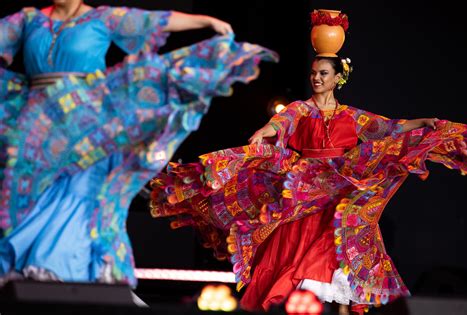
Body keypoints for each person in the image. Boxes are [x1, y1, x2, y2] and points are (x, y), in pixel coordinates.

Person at [149, 55, 467, 313]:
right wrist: (265, 131)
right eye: (314, 73)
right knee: (289, 265)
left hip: (337, 192)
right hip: (303, 193)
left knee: (338, 265)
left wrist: (424, 123)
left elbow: (390, 128)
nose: (316, 78)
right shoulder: (301, 109)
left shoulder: (353, 117)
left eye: (323, 73)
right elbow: (281, 121)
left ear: (336, 79)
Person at [0, 0, 278, 287]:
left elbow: (153, 19)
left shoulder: (100, 18)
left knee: (82, 190)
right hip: (36, 129)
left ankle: (58, 265)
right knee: (30, 194)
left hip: (89, 127)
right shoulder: (28, 20)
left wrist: (204, 20)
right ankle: (25, 264)